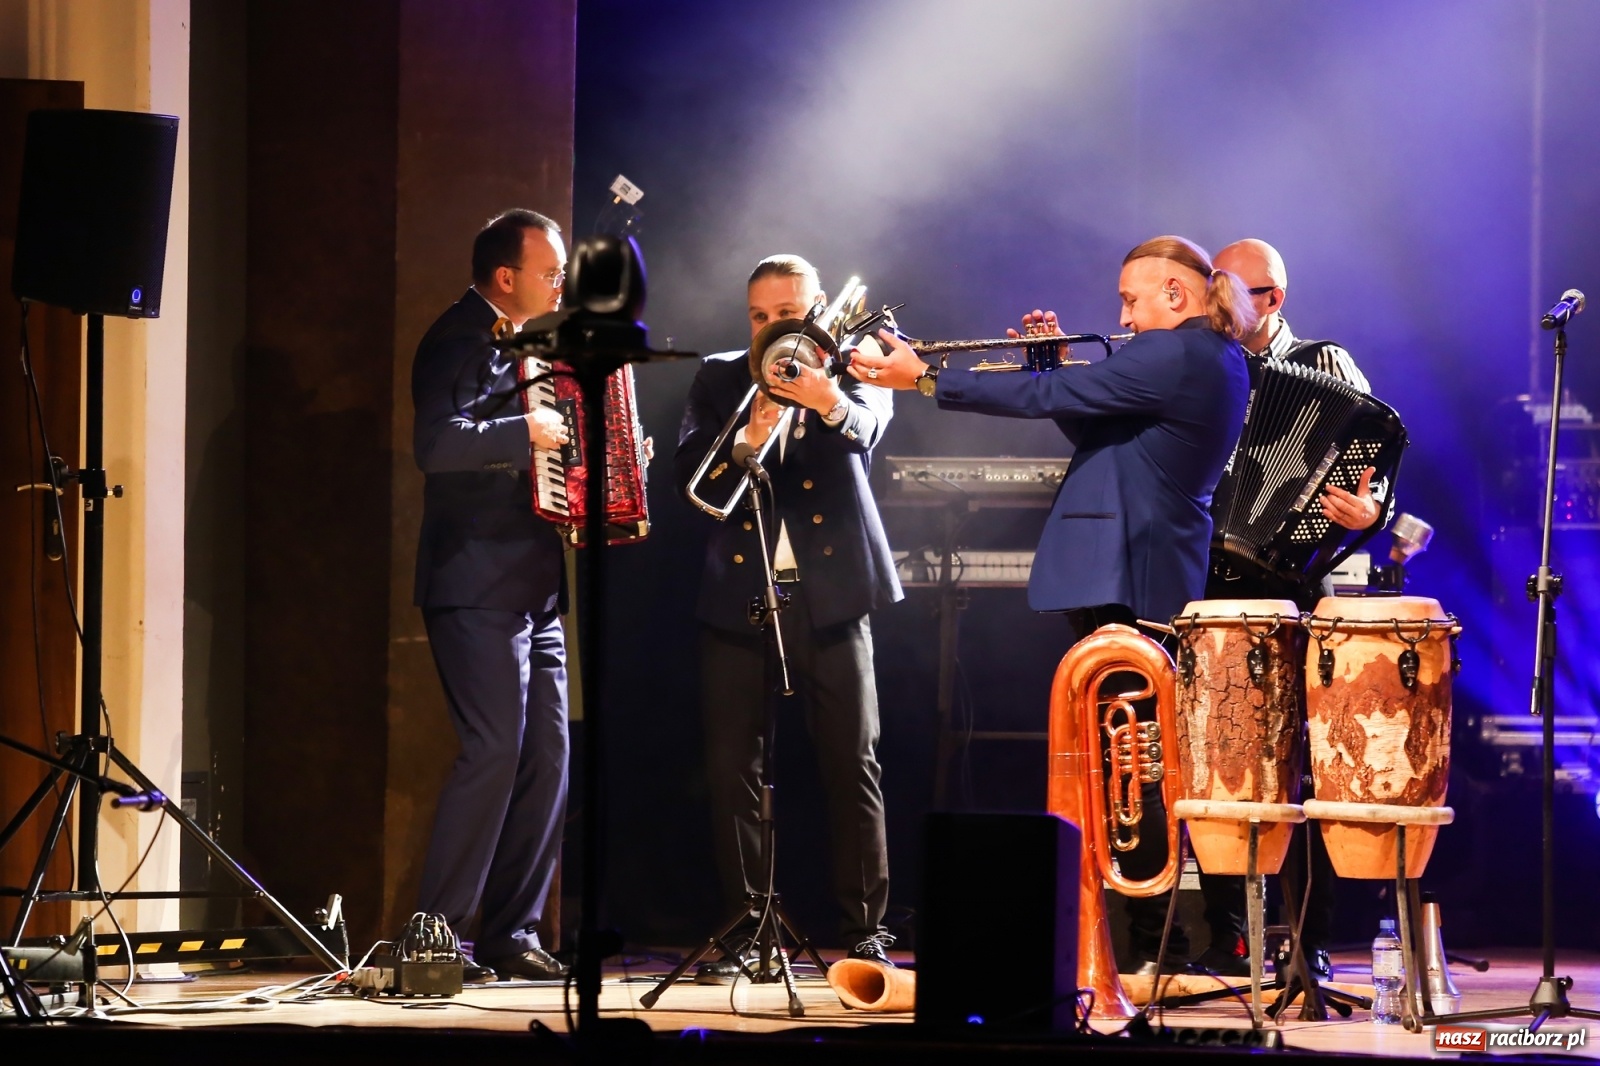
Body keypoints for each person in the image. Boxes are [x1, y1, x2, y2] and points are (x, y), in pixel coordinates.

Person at [849, 235, 1257, 972]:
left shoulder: (1178, 351)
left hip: (1128, 571)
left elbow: (1053, 400)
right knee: (1122, 758)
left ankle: (1149, 944)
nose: (1122, 318)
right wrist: (1053, 366)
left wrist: (928, 380)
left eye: (1131, 300)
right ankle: (1135, 939)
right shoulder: (1200, 356)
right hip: (1134, 568)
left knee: (1132, 762)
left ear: (1175, 294)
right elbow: (1095, 423)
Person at [675, 254, 902, 978]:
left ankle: (865, 930)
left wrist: (825, 396)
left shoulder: (855, 362)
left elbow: (867, 430)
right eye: (760, 317)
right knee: (733, 767)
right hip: (740, 593)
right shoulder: (720, 376)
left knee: (852, 760)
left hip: (833, 594)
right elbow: (690, 476)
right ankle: (748, 925)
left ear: (817, 308)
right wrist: (748, 436)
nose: (773, 328)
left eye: (788, 314)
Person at [1191, 238, 1391, 980]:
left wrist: (1371, 511)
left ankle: (1308, 938)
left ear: (1271, 300)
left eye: (1228, 289)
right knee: (1217, 757)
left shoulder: (1323, 362)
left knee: (1305, 764)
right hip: (1207, 578)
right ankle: (1229, 934)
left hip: (1295, 581)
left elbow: (1376, 459)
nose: (1213, 302)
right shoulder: (1200, 362)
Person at [409, 208, 575, 981]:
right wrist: (524, 431)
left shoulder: (530, 344)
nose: (560, 283)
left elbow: (536, 452)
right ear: (506, 277)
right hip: (475, 580)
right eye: (550, 272)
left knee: (548, 756)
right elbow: (439, 444)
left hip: (533, 583)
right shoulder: (458, 337)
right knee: (494, 751)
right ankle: (435, 937)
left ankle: (512, 934)